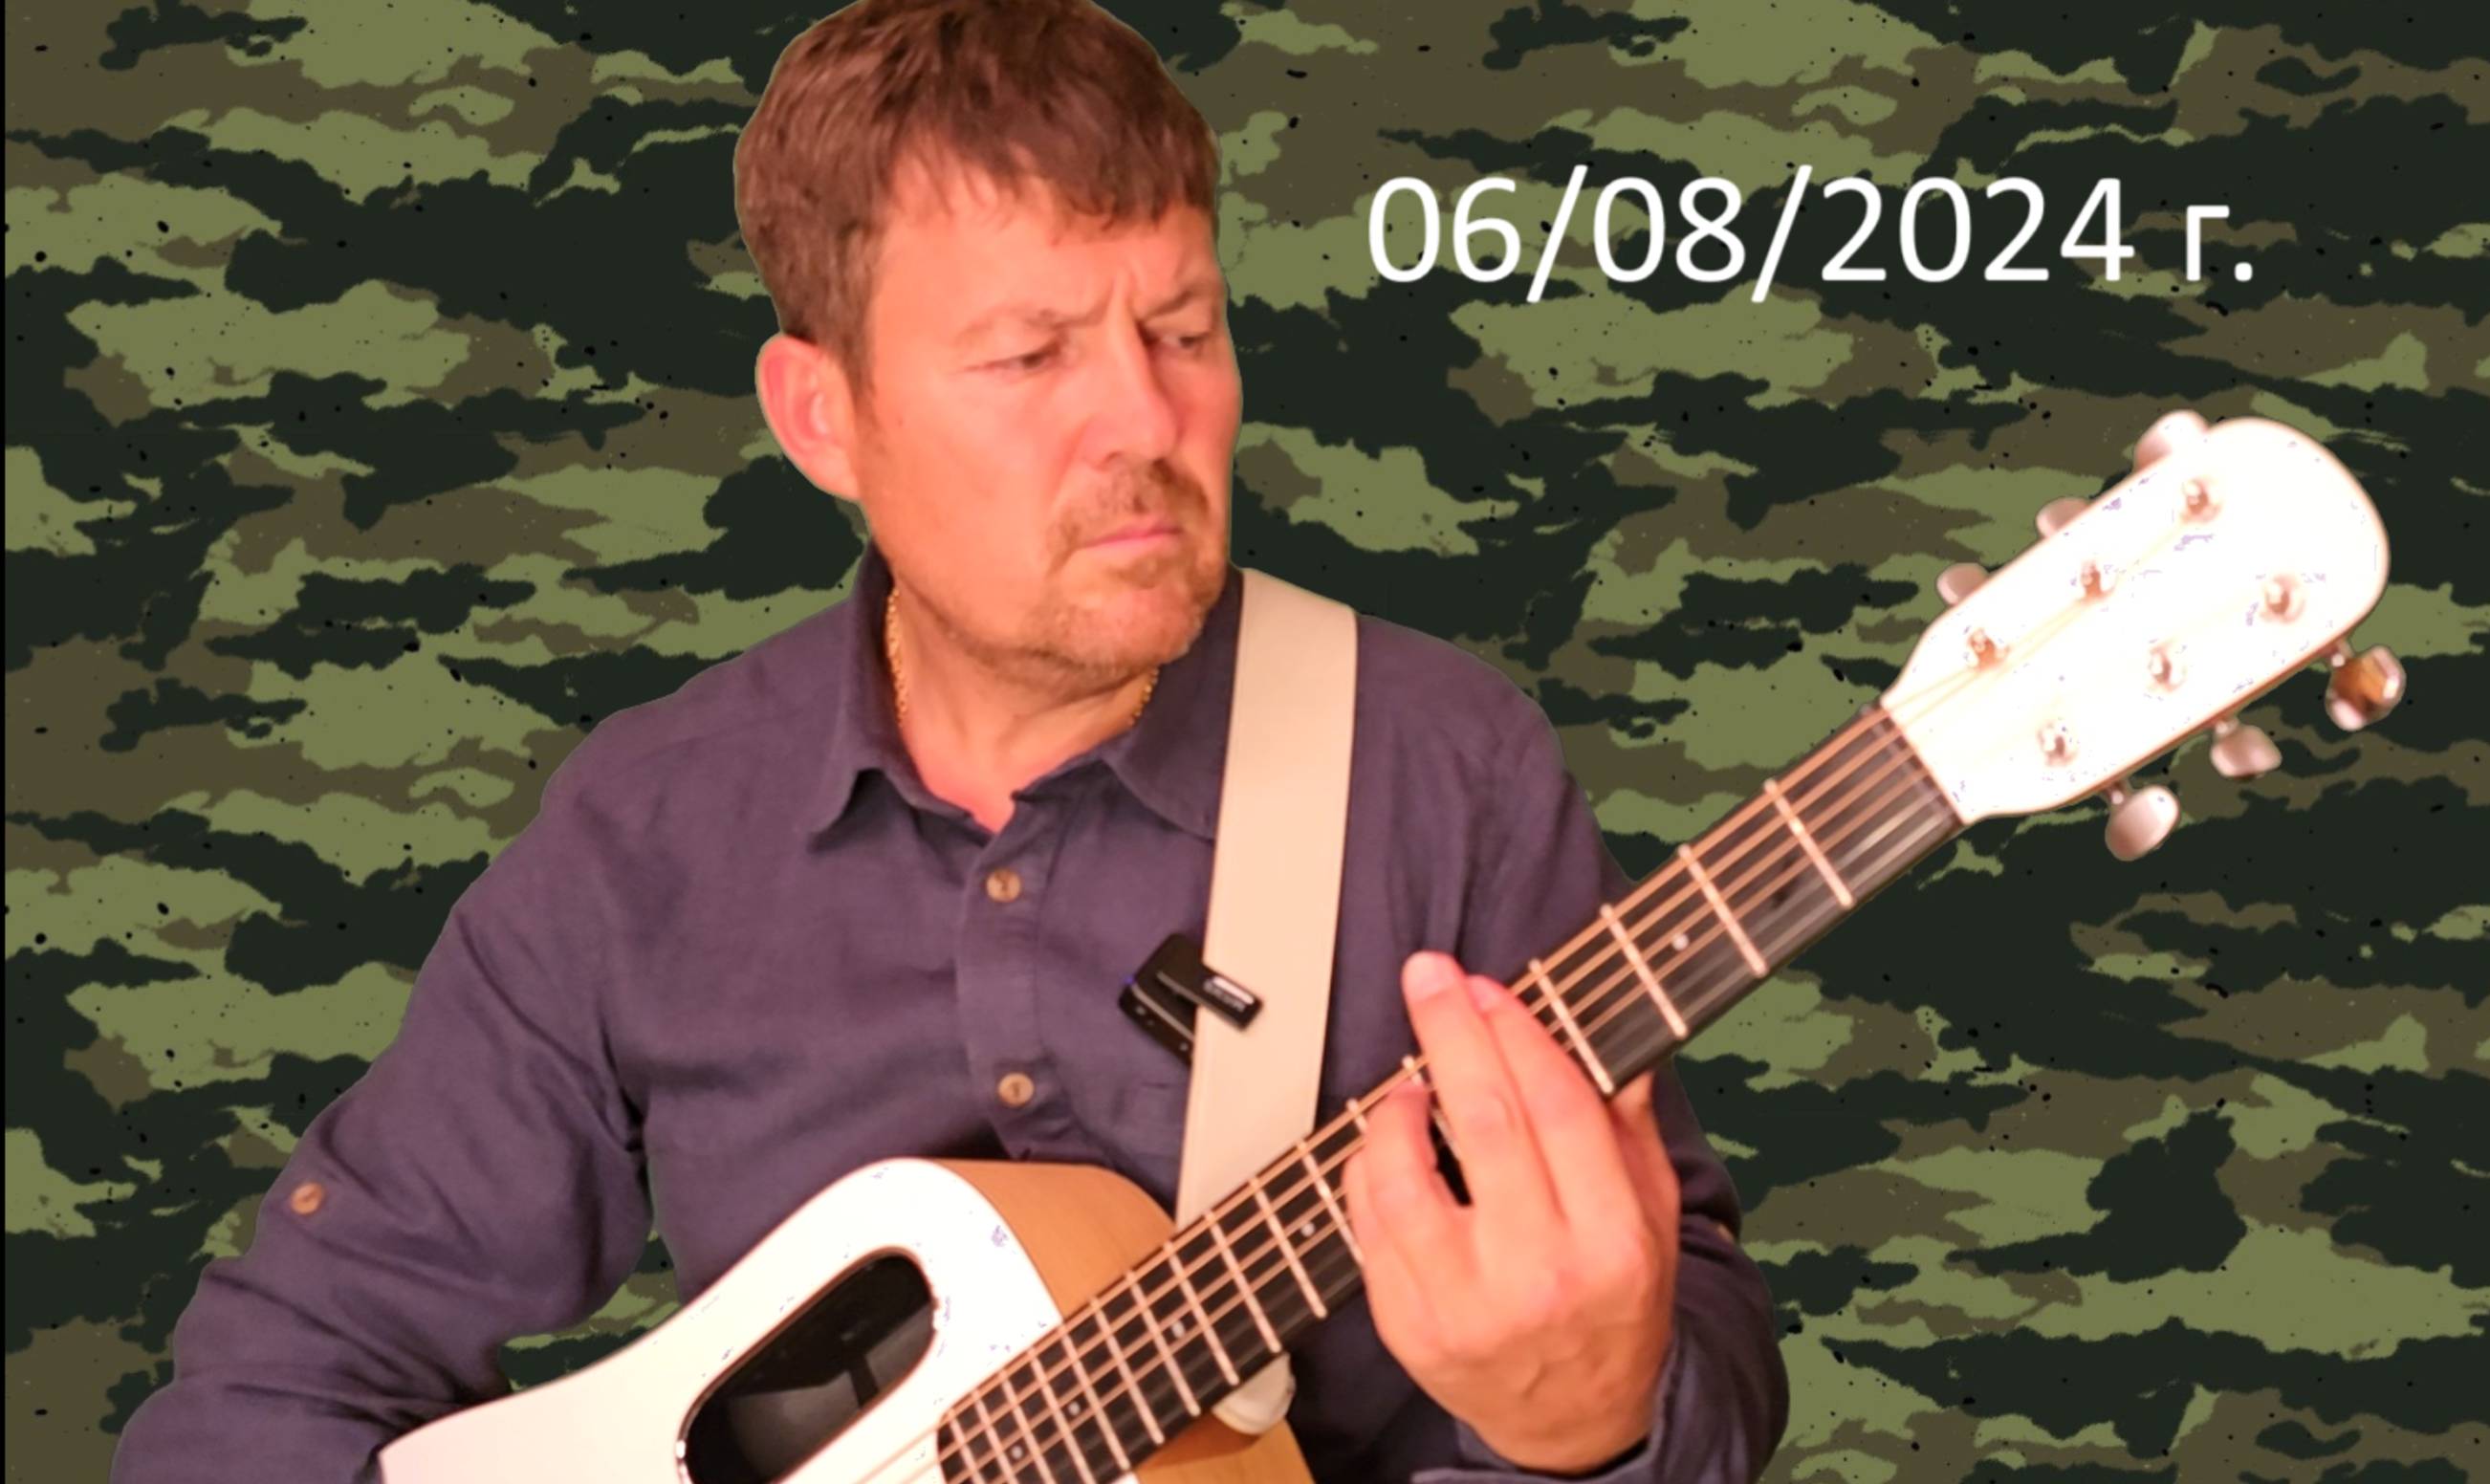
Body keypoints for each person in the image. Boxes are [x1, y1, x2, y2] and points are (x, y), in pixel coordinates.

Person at [109, 3, 1803, 1479]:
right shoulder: (647, 828)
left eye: (1184, 331)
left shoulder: (1446, 775)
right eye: (1028, 354)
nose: (1145, 420)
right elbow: (288, 1367)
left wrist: (1591, 1419)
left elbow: (1702, 1347)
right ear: (823, 417)